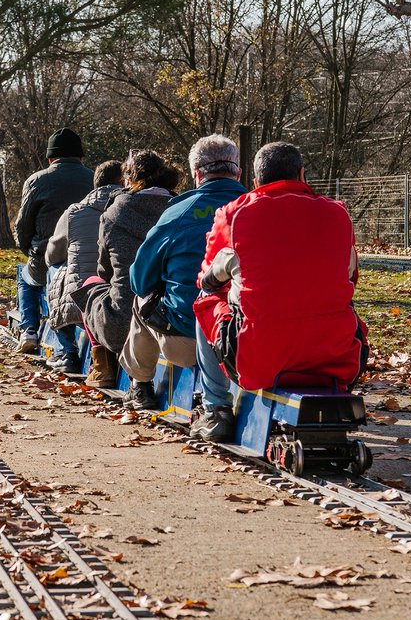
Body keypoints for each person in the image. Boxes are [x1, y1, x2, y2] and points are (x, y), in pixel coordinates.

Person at [194, 140, 368, 393]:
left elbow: (206, 276)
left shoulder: (234, 213)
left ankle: (216, 408)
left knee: (205, 296)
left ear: (255, 182)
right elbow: (351, 277)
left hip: (256, 362)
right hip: (339, 358)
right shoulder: (338, 213)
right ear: (301, 174)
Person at [120, 135, 246, 433]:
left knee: (143, 300)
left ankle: (140, 383)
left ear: (196, 174)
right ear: (239, 173)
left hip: (188, 340)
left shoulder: (176, 213)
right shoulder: (257, 208)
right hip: (254, 338)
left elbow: (139, 281)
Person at [72, 150, 182, 395]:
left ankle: (102, 365)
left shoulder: (114, 213)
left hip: (121, 323)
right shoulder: (179, 208)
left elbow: (104, 271)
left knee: (90, 283)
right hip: (172, 316)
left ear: (128, 179)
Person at [14, 128, 93, 353]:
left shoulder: (36, 181)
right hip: (87, 259)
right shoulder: (93, 177)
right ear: (80, 157)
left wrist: (28, 249)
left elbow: (23, 226)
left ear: (50, 158)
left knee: (24, 275)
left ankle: (28, 329)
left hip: (45, 258)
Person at [44, 159, 124, 375]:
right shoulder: (131, 208)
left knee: (55, 271)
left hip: (81, 302)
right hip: (121, 298)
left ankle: (65, 350)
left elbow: (52, 255)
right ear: (122, 181)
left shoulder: (75, 212)